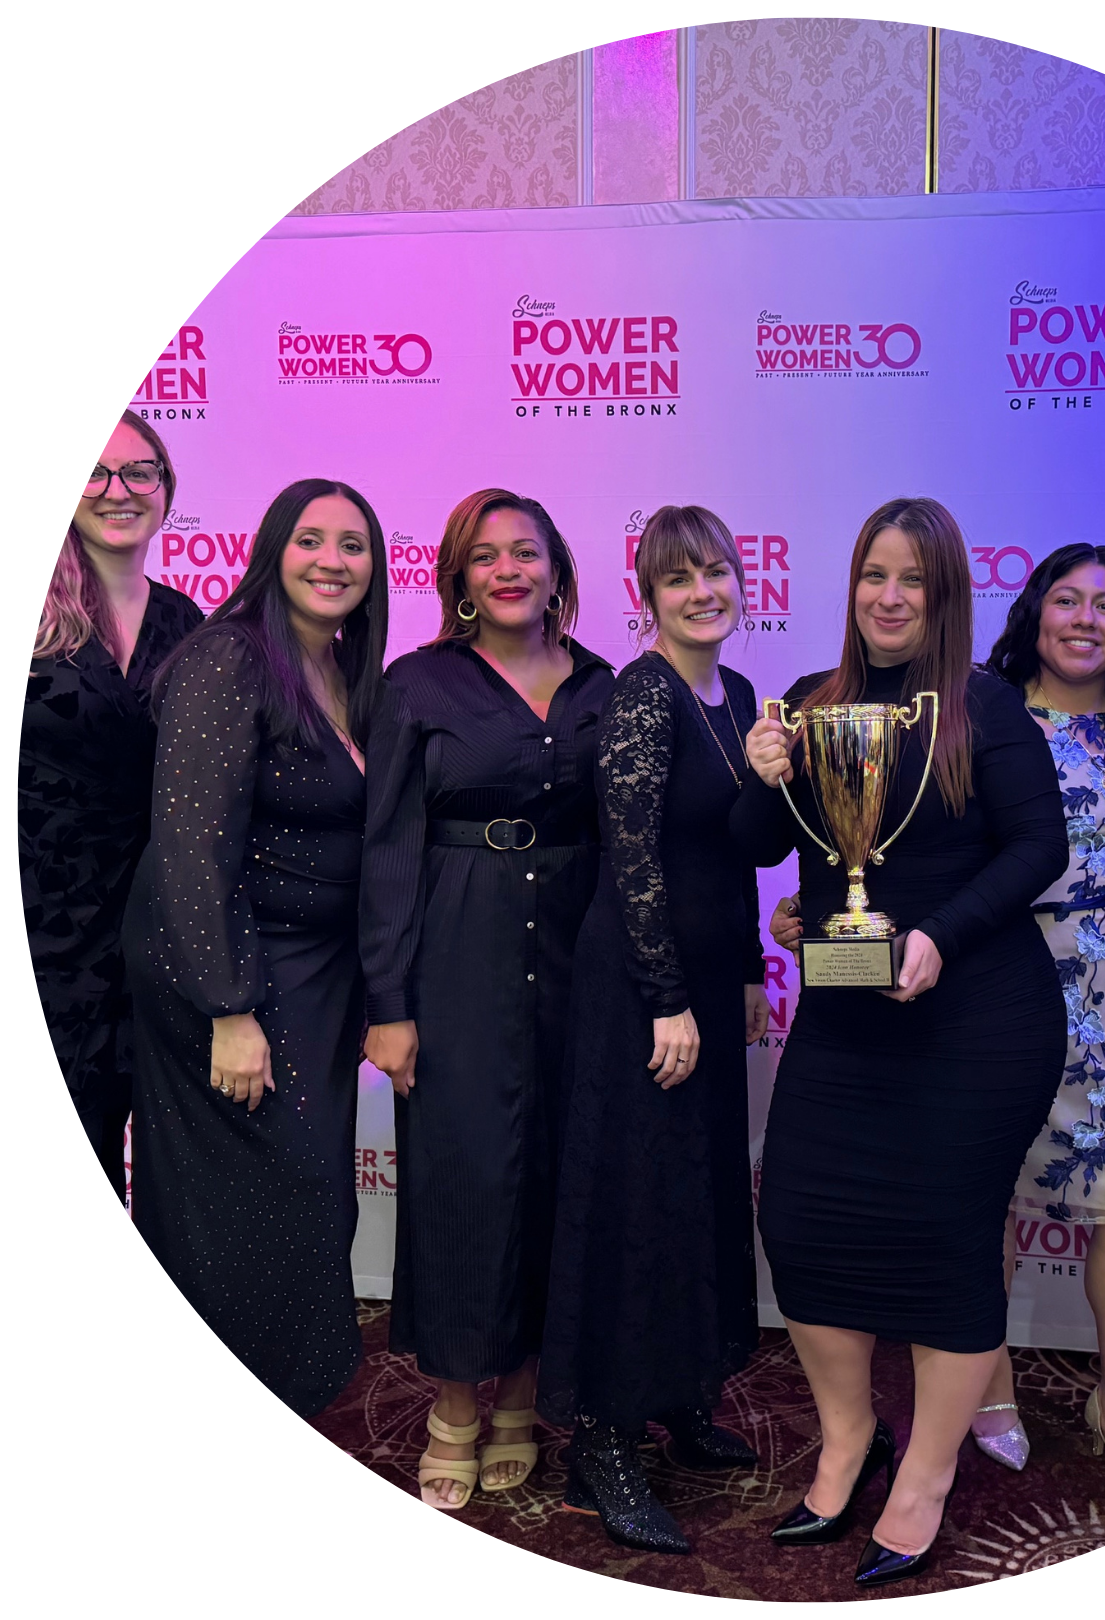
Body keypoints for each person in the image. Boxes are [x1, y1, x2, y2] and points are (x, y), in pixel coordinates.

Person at [738, 497, 1068, 1588]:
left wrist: (939, 935)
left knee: (945, 1247)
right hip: (845, 1012)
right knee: (800, 1224)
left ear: (944, 595)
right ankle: (846, 1443)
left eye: (912, 580)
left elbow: (1039, 848)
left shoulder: (984, 708)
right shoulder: (809, 706)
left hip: (979, 1022)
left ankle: (925, 1475)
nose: (888, 596)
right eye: (874, 574)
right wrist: (764, 774)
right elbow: (770, 851)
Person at [361, 490, 613, 1510]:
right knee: (463, 1178)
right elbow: (384, 848)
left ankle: (521, 1398)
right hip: (454, 953)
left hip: (579, 956)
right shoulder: (416, 684)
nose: (508, 569)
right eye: (485, 556)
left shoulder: (605, 685)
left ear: (558, 567)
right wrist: (389, 999)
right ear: (459, 579)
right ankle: (456, 1406)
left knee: (555, 1172)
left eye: (526, 551)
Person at [124, 477, 387, 1416]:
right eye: (311, 539)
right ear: (274, 549)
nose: (332, 560)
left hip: (311, 977)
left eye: (353, 545)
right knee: (262, 1208)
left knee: (309, 1204)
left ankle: (284, 1405)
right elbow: (191, 844)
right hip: (231, 971)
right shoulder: (227, 660)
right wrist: (228, 1008)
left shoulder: (350, 671)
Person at [538, 505, 769, 1555]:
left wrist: (752, 969)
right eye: (679, 580)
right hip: (644, 985)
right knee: (635, 1200)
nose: (703, 592)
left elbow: (741, 851)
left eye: (716, 571)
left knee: (700, 1192)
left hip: (714, 979)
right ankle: (605, 1437)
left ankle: (679, 1398)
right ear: (649, 598)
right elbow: (632, 860)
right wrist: (666, 994)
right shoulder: (644, 696)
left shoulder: (744, 698)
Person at [984, 543, 1105, 1516]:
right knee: (989, 1207)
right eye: (1068, 599)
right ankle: (988, 1387)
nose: (1086, 619)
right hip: (1004, 981)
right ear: (1036, 610)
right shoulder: (986, 712)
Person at [20, 413, 201, 1319]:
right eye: (97, 473)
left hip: (161, 935)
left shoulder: (187, 621)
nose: (120, 490)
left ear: (167, 489)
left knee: (172, 1181)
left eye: (141, 472)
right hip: (46, 938)